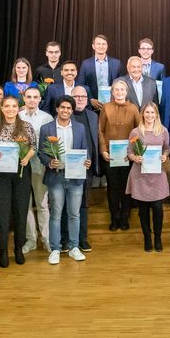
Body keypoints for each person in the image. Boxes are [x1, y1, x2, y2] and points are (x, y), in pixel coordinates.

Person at [39, 96, 91, 265]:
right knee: (55, 214)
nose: (65, 111)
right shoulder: (46, 128)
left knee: (74, 214)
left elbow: (85, 150)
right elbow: (41, 152)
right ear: (57, 109)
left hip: (75, 177)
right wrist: (49, 162)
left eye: (69, 108)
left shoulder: (80, 128)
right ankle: (55, 249)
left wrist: (87, 160)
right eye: (63, 107)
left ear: (72, 110)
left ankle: (74, 247)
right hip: (56, 176)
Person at [0, 95, 36, 268]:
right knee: (2, 213)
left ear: (18, 108)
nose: (10, 109)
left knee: (20, 212)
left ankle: (18, 248)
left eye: (13, 106)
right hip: (1, 176)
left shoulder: (26, 127)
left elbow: (33, 147)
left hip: (21, 173)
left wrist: (27, 157)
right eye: (6, 106)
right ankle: (3, 251)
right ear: (1, 108)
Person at [126, 102, 170, 252]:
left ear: (156, 114)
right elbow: (129, 152)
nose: (150, 115)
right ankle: (147, 237)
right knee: (143, 210)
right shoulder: (135, 132)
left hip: (158, 175)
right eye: (147, 112)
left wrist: (165, 156)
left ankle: (157, 237)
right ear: (142, 114)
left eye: (152, 113)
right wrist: (134, 158)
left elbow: (167, 148)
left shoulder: (163, 131)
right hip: (140, 176)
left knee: (158, 208)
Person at [98, 79, 141, 231]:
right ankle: (114, 217)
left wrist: (134, 152)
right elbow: (101, 130)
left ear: (126, 92)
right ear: (112, 92)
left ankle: (125, 217)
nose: (119, 92)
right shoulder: (106, 108)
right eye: (116, 89)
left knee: (126, 187)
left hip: (128, 156)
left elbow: (139, 132)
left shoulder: (134, 108)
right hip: (110, 156)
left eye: (122, 89)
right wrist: (103, 150)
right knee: (112, 187)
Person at [19, 87, 54, 253]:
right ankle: (31, 240)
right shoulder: (17, 116)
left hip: (40, 166)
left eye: (35, 97)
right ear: (24, 98)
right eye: (29, 97)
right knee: (25, 205)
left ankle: (46, 239)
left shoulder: (47, 118)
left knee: (42, 204)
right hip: (22, 166)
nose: (32, 100)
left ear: (40, 99)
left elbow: (49, 144)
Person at [68, 85, 100, 252]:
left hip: (86, 169)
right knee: (68, 205)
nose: (80, 99)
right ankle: (67, 239)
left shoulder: (93, 116)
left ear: (88, 100)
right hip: (68, 168)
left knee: (83, 205)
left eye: (83, 96)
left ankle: (82, 238)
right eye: (76, 96)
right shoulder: (65, 116)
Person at [77, 34, 125, 107]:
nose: (101, 46)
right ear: (93, 46)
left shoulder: (116, 63)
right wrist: (90, 99)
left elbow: (121, 83)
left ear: (107, 46)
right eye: (98, 44)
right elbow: (81, 84)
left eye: (103, 44)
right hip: (92, 105)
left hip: (113, 103)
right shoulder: (85, 64)